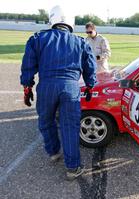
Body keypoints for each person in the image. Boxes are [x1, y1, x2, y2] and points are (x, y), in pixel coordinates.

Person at [20, 5, 97, 180]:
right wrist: (91, 85)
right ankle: (73, 167)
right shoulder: (81, 42)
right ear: (71, 22)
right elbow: (90, 67)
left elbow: (28, 66)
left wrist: (27, 87)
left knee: (46, 120)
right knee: (70, 127)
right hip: (70, 87)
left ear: (51, 19)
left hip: (46, 86)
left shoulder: (37, 39)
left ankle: (53, 151)